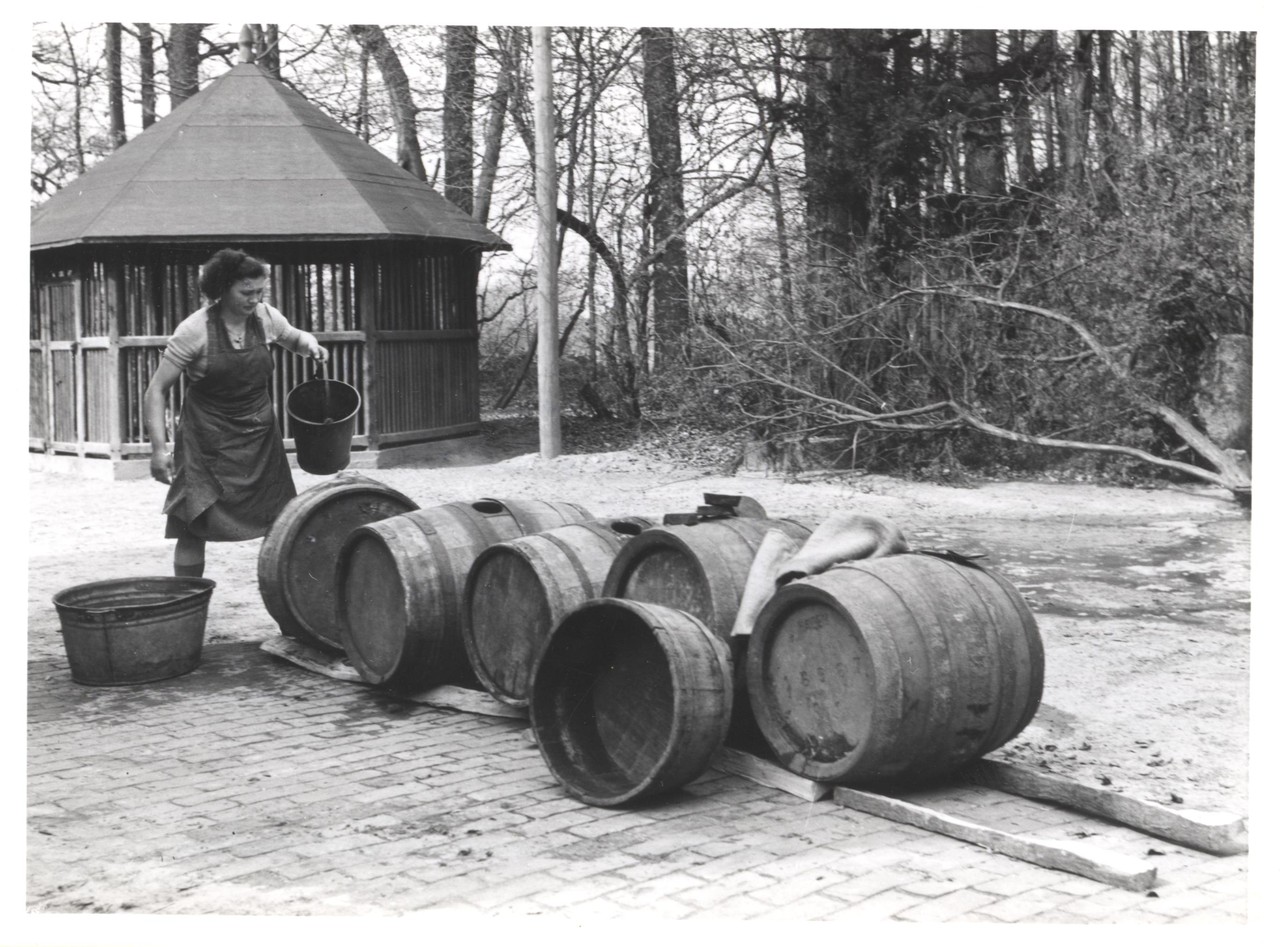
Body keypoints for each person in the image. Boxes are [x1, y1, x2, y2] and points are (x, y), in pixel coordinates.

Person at [144, 248, 328, 577]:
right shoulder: (194, 330)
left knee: (280, 523)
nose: (254, 299)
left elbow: (294, 338)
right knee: (191, 525)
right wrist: (159, 451)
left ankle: (288, 605)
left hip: (259, 441)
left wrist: (309, 344)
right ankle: (189, 606)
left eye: (259, 292)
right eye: (246, 292)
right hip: (206, 444)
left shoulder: (266, 317)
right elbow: (156, 390)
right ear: (223, 287)